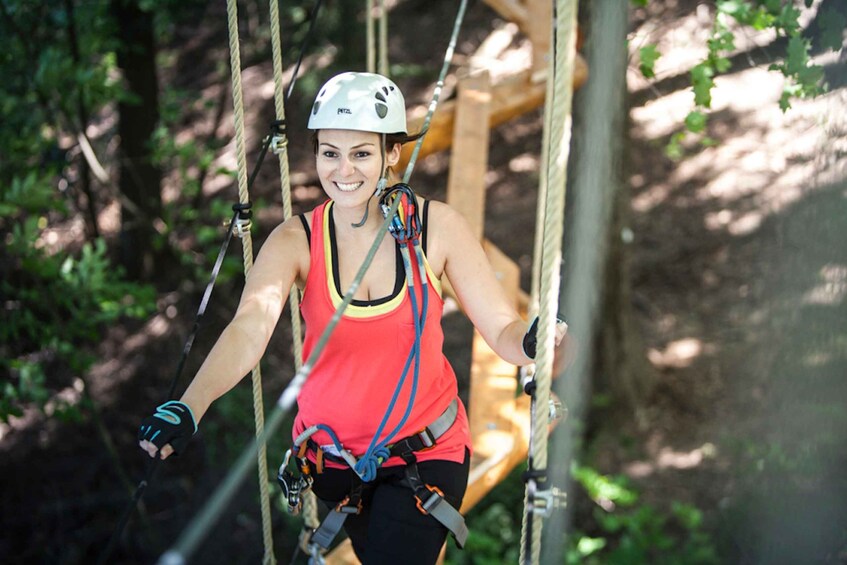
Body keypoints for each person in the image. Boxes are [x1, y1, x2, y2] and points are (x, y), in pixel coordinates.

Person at [138, 71, 568, 564]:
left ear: (391, 154)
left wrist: (536, 341)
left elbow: (503, 331)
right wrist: (190, 405)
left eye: (361, 153)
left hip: (425, 453)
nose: (344, 170)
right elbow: (249, 328)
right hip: (333, 464)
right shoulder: (296, 239)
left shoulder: (435, 228)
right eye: (330, 153)